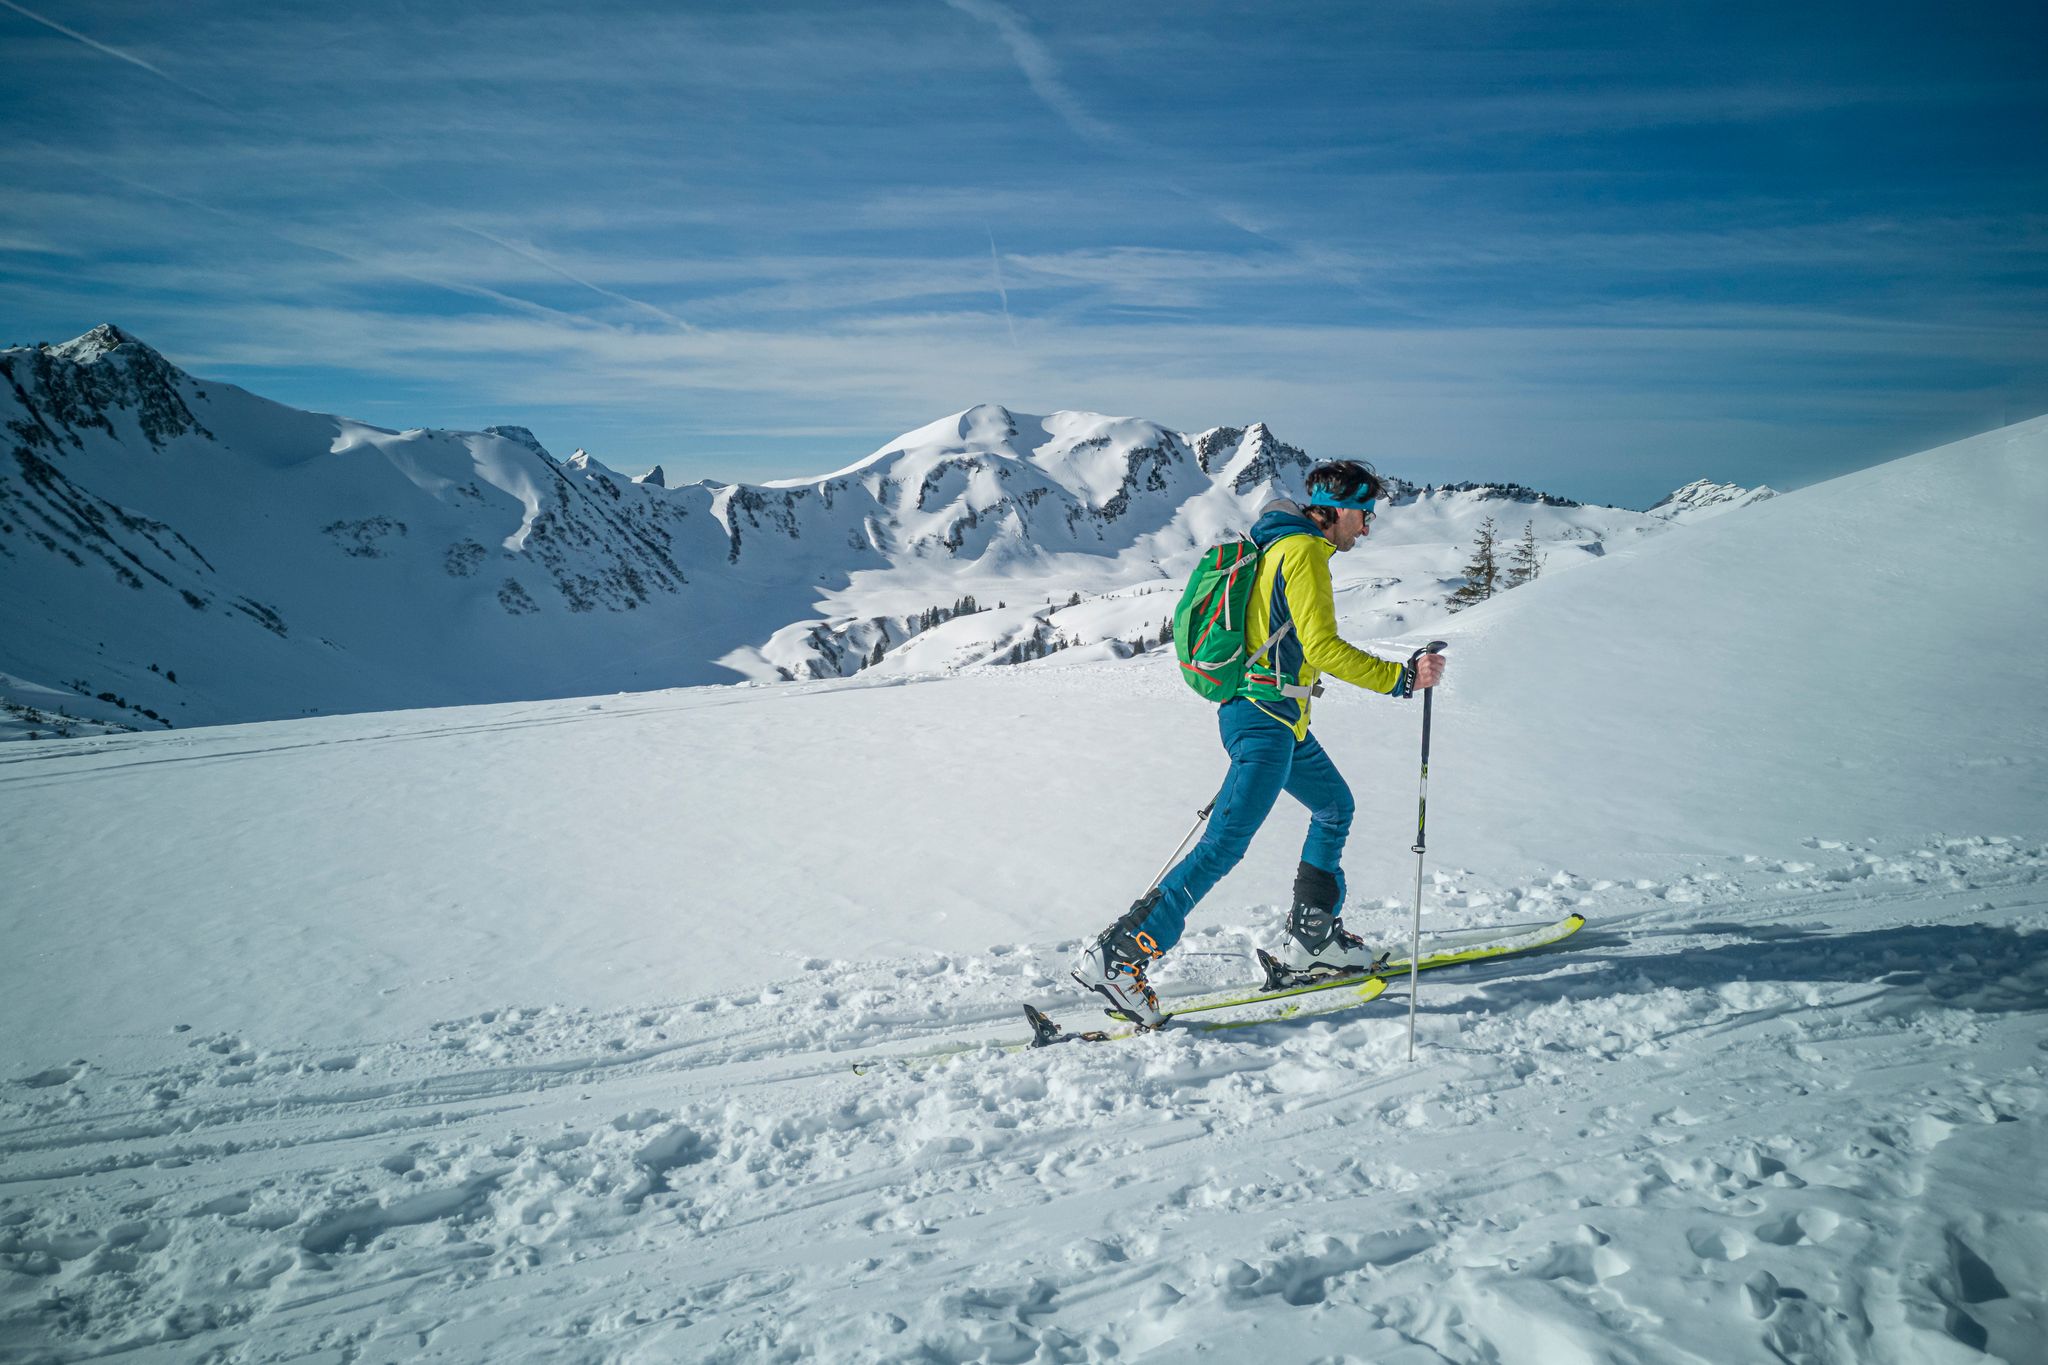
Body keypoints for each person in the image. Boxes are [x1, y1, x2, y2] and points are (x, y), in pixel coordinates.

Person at [1071, 459, 1446, 1026]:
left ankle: (1313, 940)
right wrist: (1401, 678)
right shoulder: (1302, 553)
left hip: (1279, 720)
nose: (1366, 528)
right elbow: (1321, 648)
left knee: (1334, 806)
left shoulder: (1279, 545)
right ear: (1338, 510)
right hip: (1262, 719)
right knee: (1223, 844)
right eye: (1364, 516)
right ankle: (1121, 957)